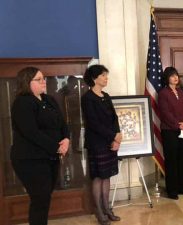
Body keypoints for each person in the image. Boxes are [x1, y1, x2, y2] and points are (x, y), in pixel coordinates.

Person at [10, 67, 70, 225]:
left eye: (43, 78)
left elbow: (63, 123)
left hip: (50, 157)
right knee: (40, 199)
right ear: (26, 82)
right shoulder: (22, 103)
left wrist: (66, 139)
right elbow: (32, 132)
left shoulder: (49, 99)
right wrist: (57, 147)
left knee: (44, 198)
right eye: (39, 79)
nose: (44, 81)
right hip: (30, 160)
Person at [81, 65, 122, 225]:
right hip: (97, 143)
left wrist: (117, 137)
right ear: (94, 78)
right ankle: (98, 211)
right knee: (98, 177)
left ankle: (107, 208)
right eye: (103, 75)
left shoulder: (106, 96)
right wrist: (113, 136)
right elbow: (93, 123)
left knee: (107, 175)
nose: (106, 78)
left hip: (110, 142)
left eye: (106, 75)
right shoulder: (87, 98)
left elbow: (114, 118)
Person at [158, 66, 183, 200]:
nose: (176, 77)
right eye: (172, 75)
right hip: (170, 131)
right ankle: (172, 190)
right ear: (167, 78)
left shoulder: (182, 92)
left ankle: (182, 186)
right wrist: (178, 124)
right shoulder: (163, 93)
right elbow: (165, 113)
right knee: (172, 161)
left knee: (182, 159)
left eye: (176, 75)